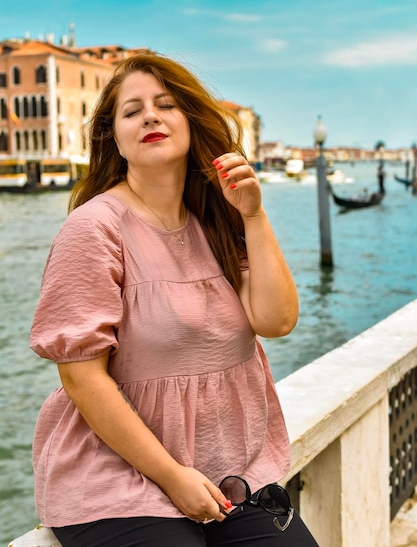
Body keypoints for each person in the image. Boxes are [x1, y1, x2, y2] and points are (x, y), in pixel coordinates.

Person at [30, 52, 319, 546]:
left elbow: (276, 320)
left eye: (165, 104)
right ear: (113, 138)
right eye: (132, 110)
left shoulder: (218, 221)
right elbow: (81, 378)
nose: (149, 116)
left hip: (231, 474)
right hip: (116, 480)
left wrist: (253, 216)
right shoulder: (93, 229)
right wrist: (171, 475)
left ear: (190, 122)